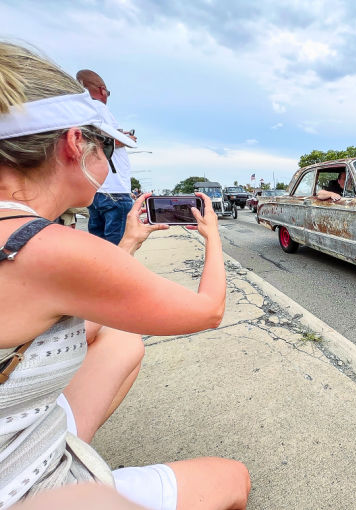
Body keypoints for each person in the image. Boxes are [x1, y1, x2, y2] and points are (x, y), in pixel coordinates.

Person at [0, 42, 250, 509]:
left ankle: (75, 456)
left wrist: (130, 242)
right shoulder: (51, 247)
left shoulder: (25, 235)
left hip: (15, 434)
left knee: (122, 340)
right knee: (233, 479)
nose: (110, 164)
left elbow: (74, 309)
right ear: (76, 143)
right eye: (108, 148)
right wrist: (213, 236)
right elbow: (209, 311)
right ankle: (75, 479)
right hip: (18, 483)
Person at [76, 69, 135, 245]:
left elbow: (92, 139)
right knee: (120, 246)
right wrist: (126, 138)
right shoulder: (99, 108)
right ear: (102, 90)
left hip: (96, 188)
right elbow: (107, 141)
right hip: (115, 188)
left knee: (99, 244)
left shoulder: (80, 111)